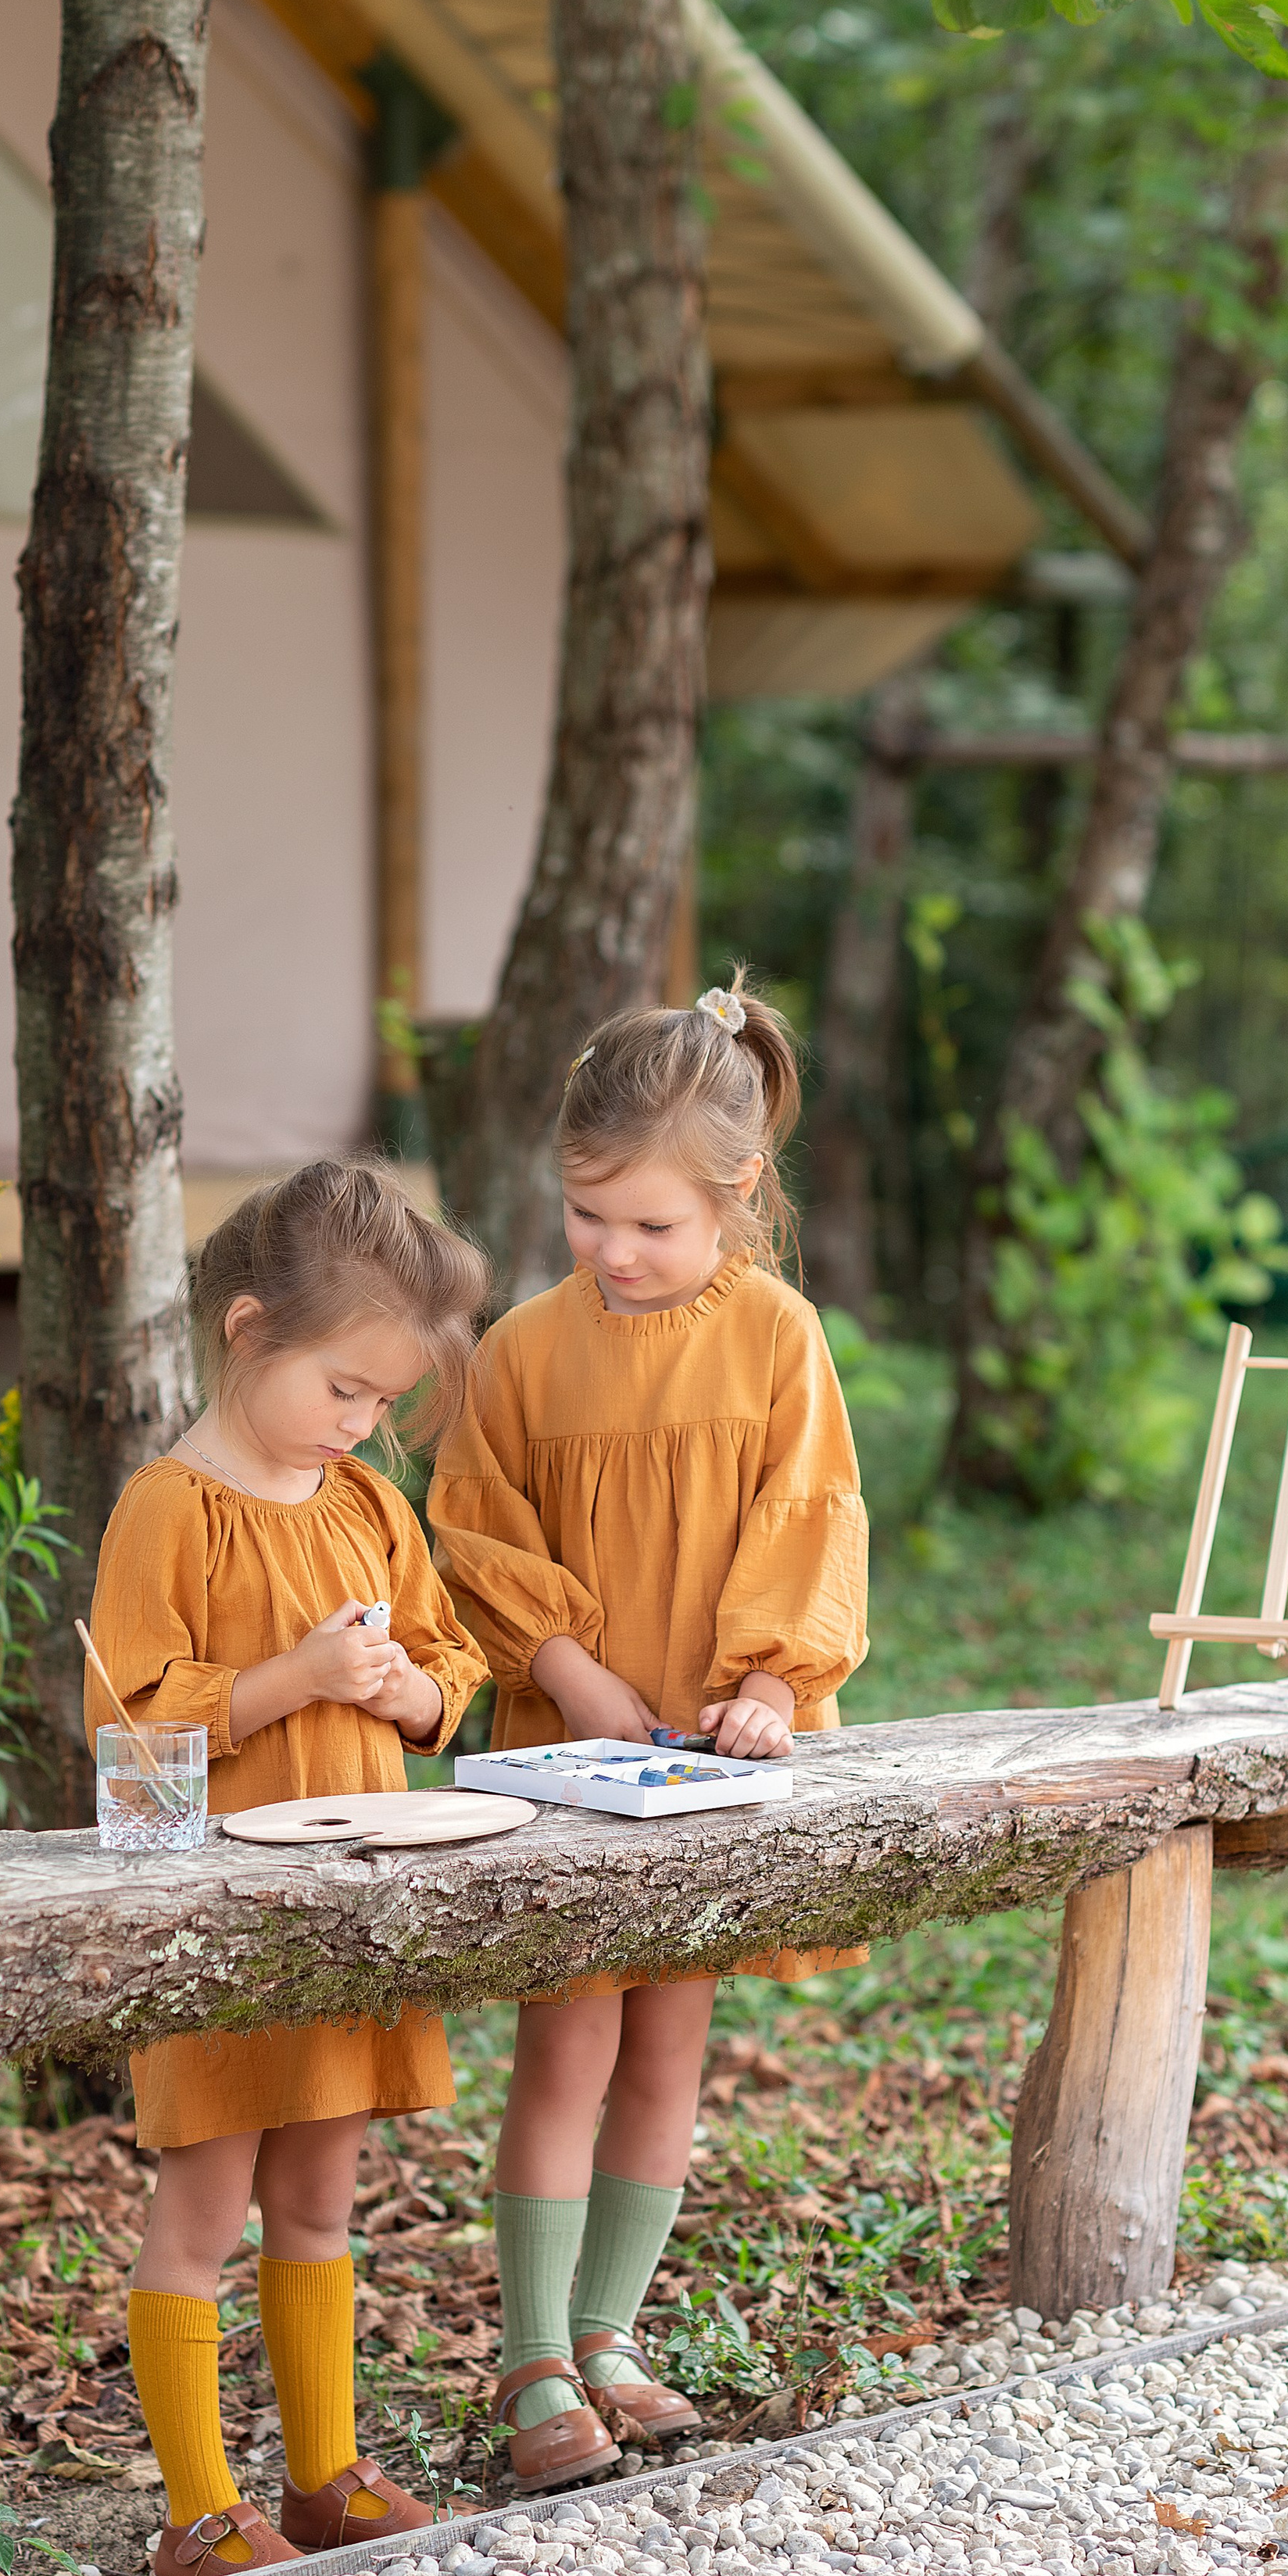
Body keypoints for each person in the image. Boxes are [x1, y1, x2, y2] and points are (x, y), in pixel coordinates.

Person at [429, 975, 870, 2487]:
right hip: (575, 1757)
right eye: (587, 1215)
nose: (614, 1252)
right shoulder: (523, 1354)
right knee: (568, 2052)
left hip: (713, 1765)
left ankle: (613, 2330)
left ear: (739, 1195)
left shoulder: (778, 1341)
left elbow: (808, 1523)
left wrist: (765, 1686)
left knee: (670, 2050)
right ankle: (535, 2354)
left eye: (651, 1225)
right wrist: (570, 1663)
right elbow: (474, 1531)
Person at [88, 1160, 492, 2576]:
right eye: (344, 1391)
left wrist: (401, 1698)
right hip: (212, 1926)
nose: (362, 1425)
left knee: (321, 2199)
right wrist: (289, 1679)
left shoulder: (368, 1505)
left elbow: (453, 1663)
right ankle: (197, 2510)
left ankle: (323, 2476)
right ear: (250, 1331)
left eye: (384, 1405)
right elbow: (126, 1726)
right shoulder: (169, 1510)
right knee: (202, 2209)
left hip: (351, 1915)